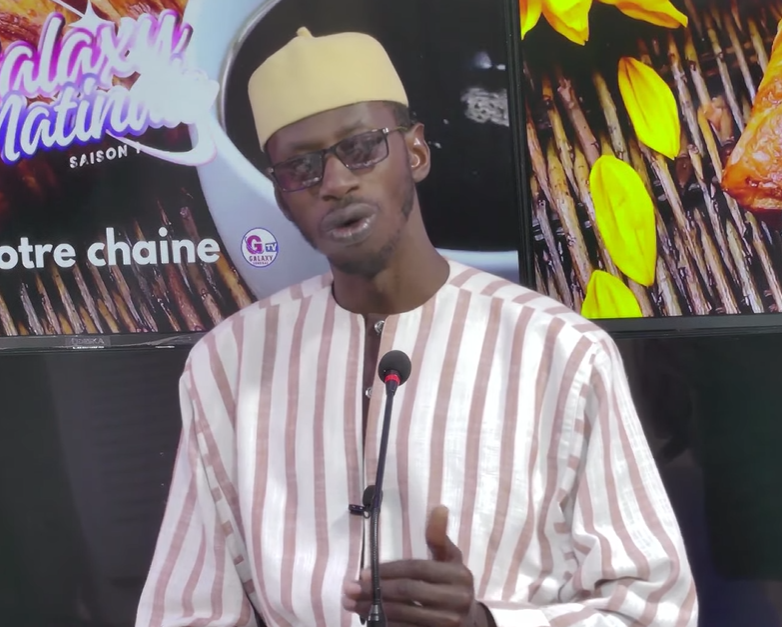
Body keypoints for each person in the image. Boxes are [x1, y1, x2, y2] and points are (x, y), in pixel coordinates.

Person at [136, 27, 698, 627]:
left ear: (417, 152)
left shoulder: (560, 351)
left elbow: (654, 609)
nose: (335, 183)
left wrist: (486, 623)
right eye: (301, 167)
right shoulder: (230, 364)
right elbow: (186, 613)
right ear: (280, 196)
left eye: (361, 148)